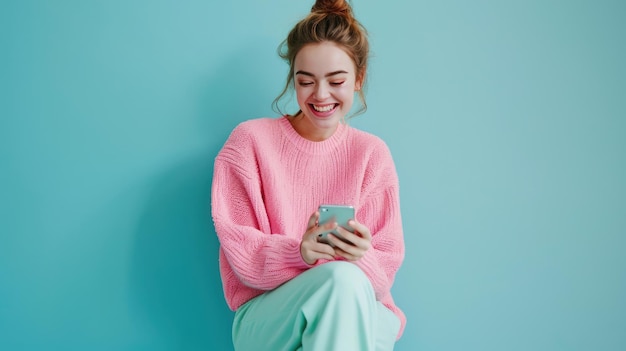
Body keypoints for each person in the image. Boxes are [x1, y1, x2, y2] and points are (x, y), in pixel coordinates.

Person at [211, 0, 405, 350]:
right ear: (293, 80)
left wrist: (362, 256)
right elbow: (240, 252)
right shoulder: (249, 143)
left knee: (350, 292)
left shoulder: (372, 154)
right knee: (342, 284)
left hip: (359, 304)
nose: (320, 95)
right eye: (306, 82)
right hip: (268, 318)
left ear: (358, 79)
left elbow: (384, 273)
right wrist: (299, 253)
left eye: (336, 81)